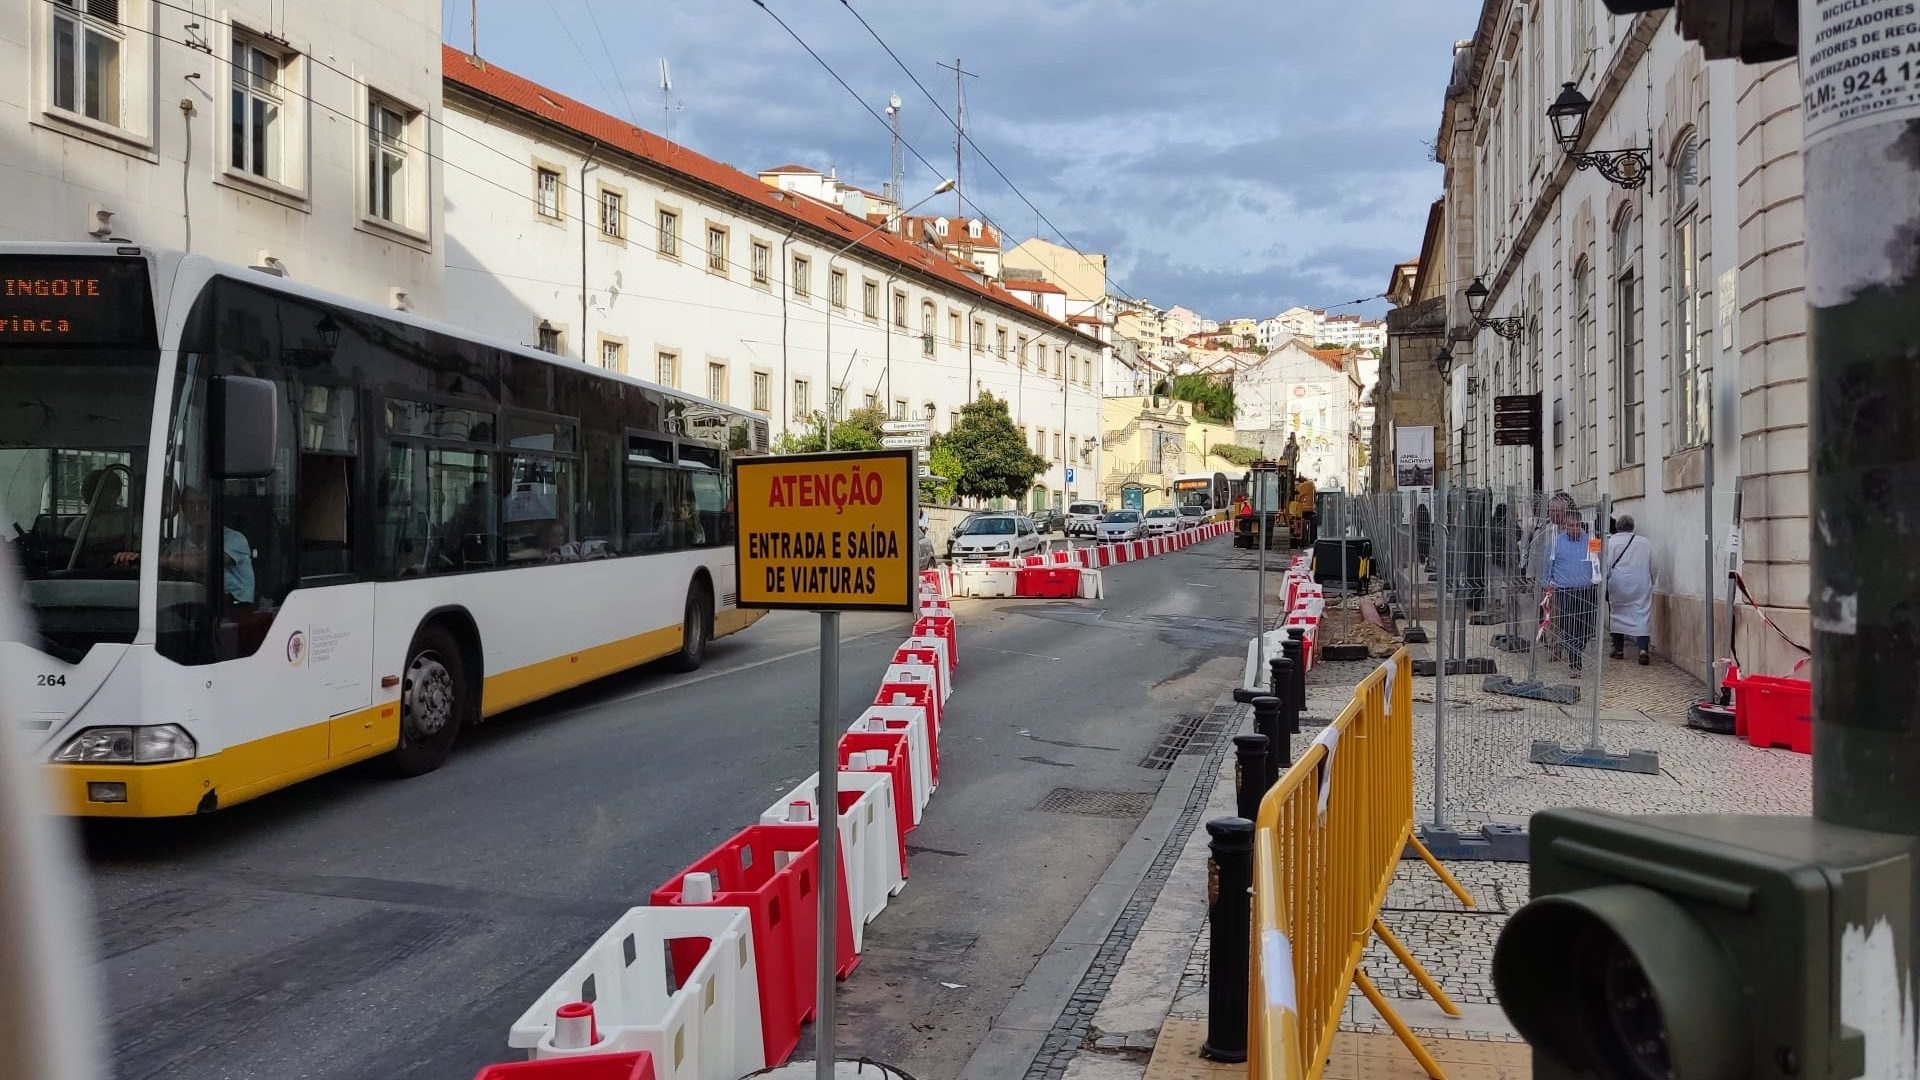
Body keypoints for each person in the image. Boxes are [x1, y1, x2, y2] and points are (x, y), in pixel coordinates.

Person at [115, 486, 254, 606]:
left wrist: (158, 560)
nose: (198, 509)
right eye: (191, 504)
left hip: (234, 611)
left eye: (203, 503)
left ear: (213, 508)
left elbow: (205, 562)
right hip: (192, 608)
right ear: (183, 510)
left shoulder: (235, 539)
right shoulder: (178, 544)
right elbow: (162, 572)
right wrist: (134, 558)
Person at [1541, 498, 1597, 676]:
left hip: (1587, 590)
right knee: (1570, 625)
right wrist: (1547, 585)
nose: (1574, 529)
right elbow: (1548, 567)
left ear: (1581, 525)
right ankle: (1575, 662)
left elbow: (1600, 563)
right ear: (1566, 525)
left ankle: (1577, 647)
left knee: (1588, 628)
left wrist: (1604, 578)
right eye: (1571, 526)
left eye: (1577, 525)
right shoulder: (1556, 542)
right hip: (1565, 590)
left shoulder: (1592, 540)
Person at [1605, 515, 1654, 665]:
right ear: (1632, 527)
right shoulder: (1645, 542)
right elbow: (1654, 565)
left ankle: (1618, 649)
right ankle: (1643, 649)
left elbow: (1606, 565)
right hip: (1640, 583)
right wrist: (1652, 581)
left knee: (1617, 614)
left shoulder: (1610, 542)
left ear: (1618, 527)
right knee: (1642, 614)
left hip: (1618, 584)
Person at [1294, 475, 1319, 545]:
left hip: (1298, 510)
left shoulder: (1303, 487)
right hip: (1307, 511)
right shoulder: (1311, 486)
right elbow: (1316, 499)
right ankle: (1311, 540)